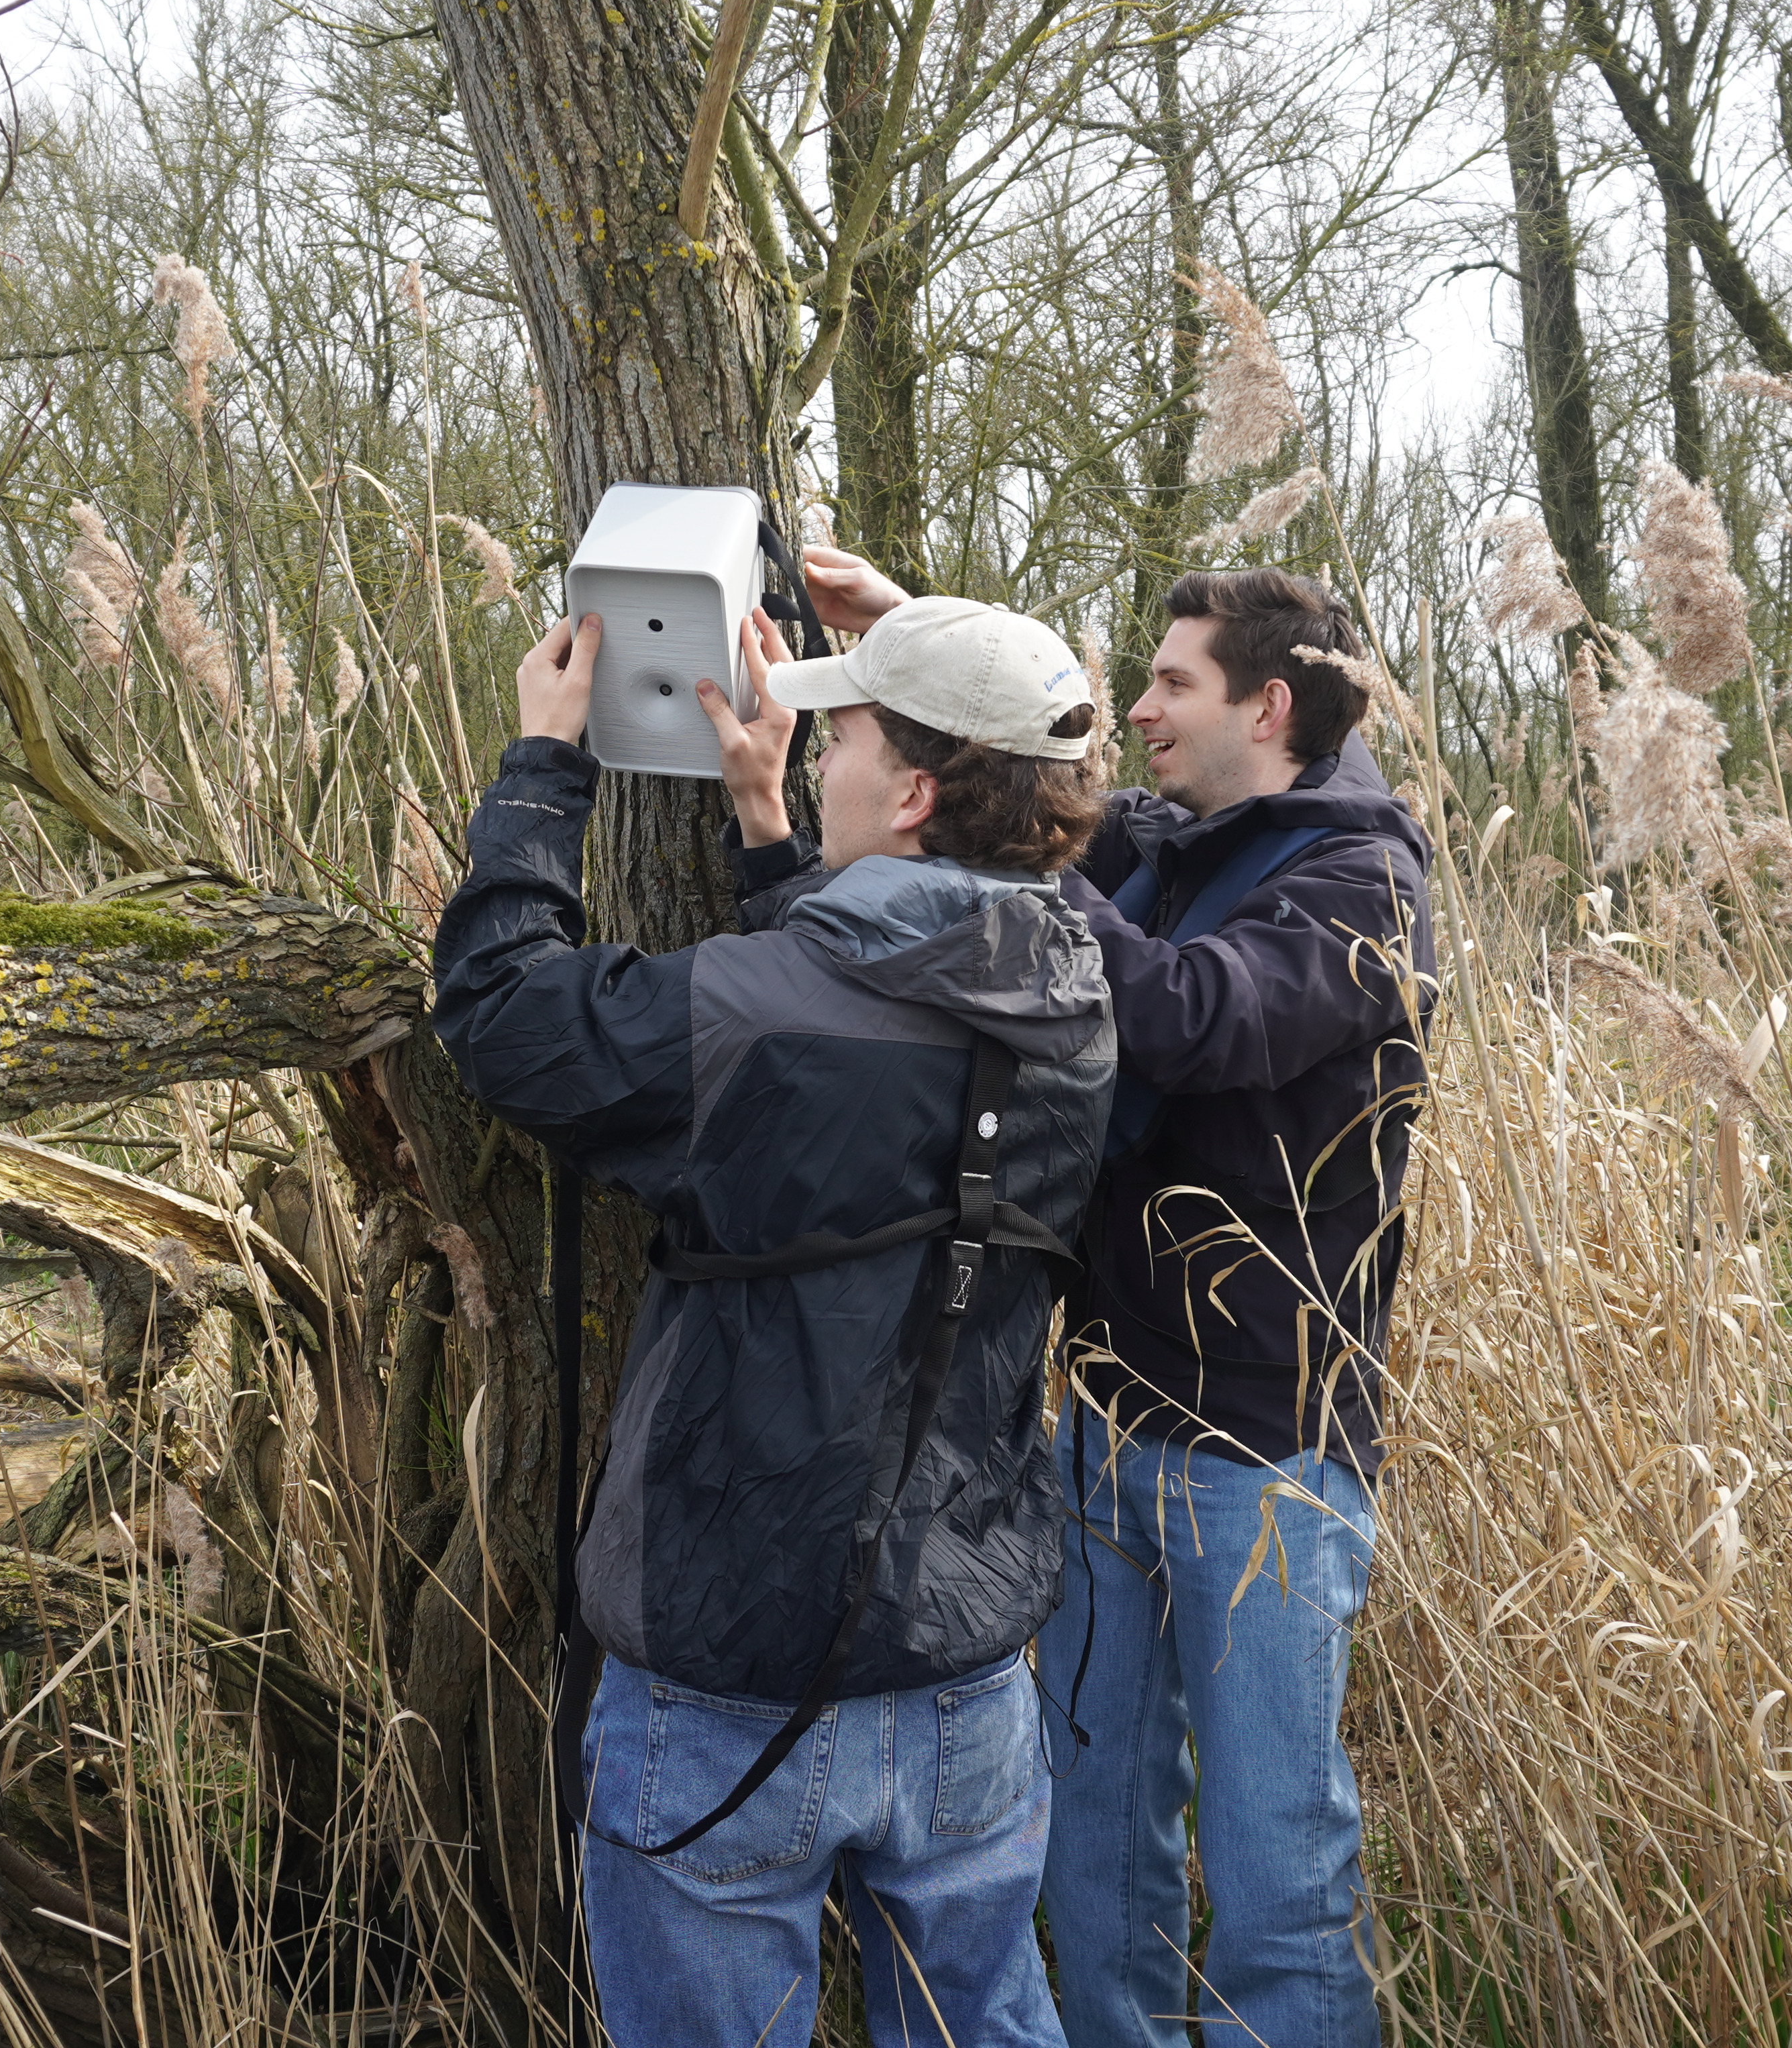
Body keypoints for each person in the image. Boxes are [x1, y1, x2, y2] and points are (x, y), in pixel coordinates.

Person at [431, 591, 1120, 2048]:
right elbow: (865, 1039)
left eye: (845, 736)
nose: (819, 754)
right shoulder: (1077, 997)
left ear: (917, 790)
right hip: (965, 1677)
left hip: (725, 1681)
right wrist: (768, 834)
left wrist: (543, 764)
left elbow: (501, 1013)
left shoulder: (764, 1009)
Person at [795, 550, 1431, 2048]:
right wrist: (920, 646)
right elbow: (1066, 809)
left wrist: (1026, 860)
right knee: (1091, 1828)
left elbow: (1196, 1019)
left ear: (1267, 706)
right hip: (1103, 1417)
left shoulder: (1362, 877)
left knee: (1280, 1856)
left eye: (1169, 683)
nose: (1136, 706)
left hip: (1268, 1453)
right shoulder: (1183, 837)